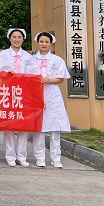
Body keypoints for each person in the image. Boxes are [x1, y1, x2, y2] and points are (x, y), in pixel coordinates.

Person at [0, 28, 39, 168]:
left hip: (23, 94)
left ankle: (22, 156)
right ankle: (10, 156)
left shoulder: (28, 57)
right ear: (9, 39)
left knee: (23, 125)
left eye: (19, 37)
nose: (16, 39)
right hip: (7, 93)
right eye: (14, 37)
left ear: (23, 39)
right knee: (9, 126)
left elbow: (34, 76)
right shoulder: (2, 55)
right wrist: (6, 72)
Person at [33, 31, 71, 168]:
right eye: (41, 41)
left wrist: (49, 80)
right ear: (38, 42)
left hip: (53, 95)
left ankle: (56, 158)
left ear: (50, 43)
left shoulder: (57, 60)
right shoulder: (31, 60)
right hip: (37, 95)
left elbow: (61, 78)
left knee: (55, 128)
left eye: (46, 42)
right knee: (39, 128)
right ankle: (40, 157)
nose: (44, 44)